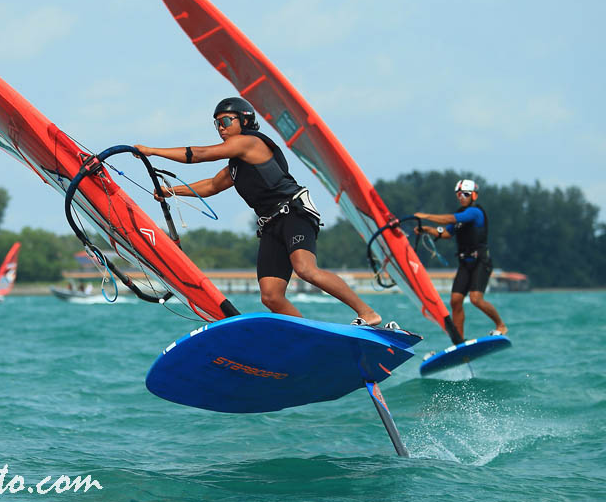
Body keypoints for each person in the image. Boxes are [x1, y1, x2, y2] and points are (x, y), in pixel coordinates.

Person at [134, 97, 384, 326]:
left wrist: (153, 151)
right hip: (270, 225)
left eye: (225, 121)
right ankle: (309, 334)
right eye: (216, 123)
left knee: (306, 269)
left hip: (293, 212)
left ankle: (367, 312)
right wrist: (171, 191)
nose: (220, 127)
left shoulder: (250, 143)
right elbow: (211, 186)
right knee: (271, 296)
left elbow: (200, 154)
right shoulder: (236, 164)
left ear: (244, 121)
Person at [415, 180, 508, 339]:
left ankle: (501, 325)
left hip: (481, 262)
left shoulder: (474, 212)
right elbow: (446, 233)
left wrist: (427, 216)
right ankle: (459, 340)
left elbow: (449, 219)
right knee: (455, 300)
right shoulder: (460, 216)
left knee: (476, 299)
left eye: (465, 194)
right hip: (465, 263)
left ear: (474, 195)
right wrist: (427, 230)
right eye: (459, 194)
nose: (462, 197)